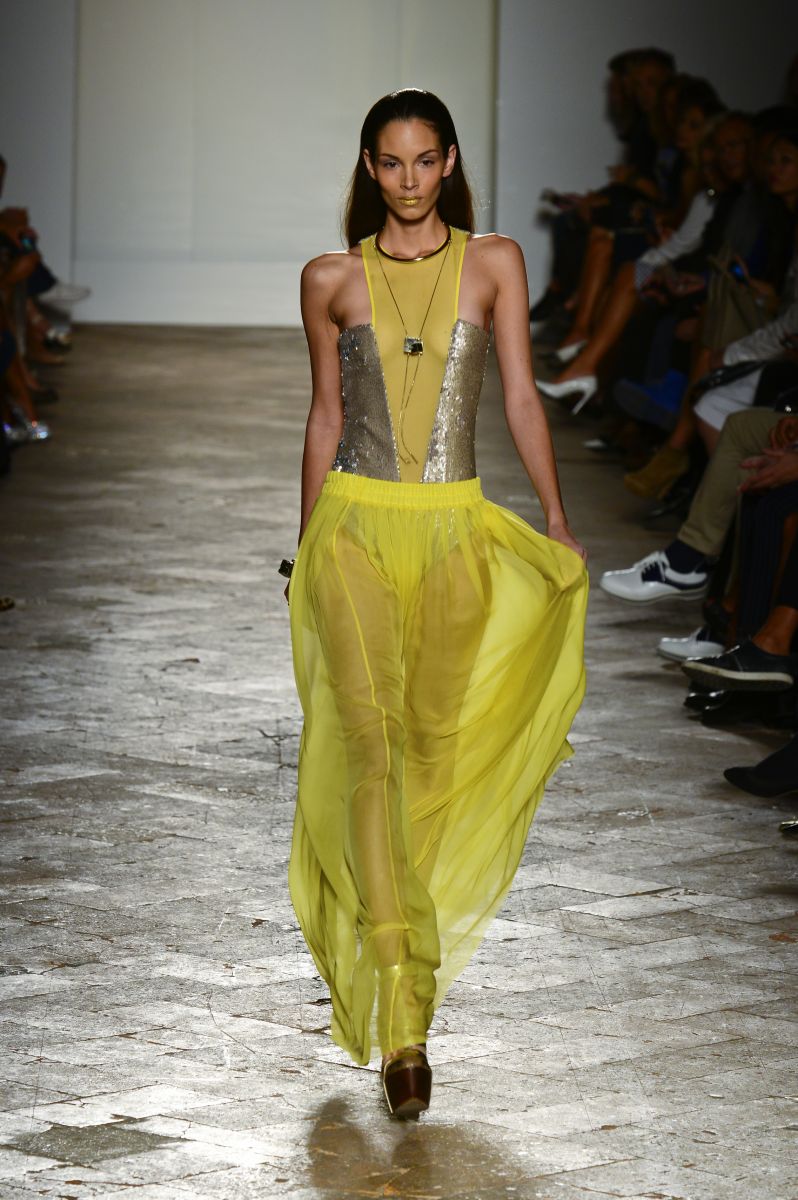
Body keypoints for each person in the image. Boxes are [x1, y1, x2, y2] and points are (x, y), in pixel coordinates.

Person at [284, 89, 588, 1120]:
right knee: (372, 752)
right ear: (369, 167)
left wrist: (556, 518)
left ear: (449, 161)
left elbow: (519, 396)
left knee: (429, 757)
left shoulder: (495, 262)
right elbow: (325, 417)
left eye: (425, 161)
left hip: (456, 532)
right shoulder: (329, 279)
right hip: (355, 532)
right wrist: (305, 548)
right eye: (391, 162)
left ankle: (397, 976)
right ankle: (404, 1016)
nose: (409, 180)